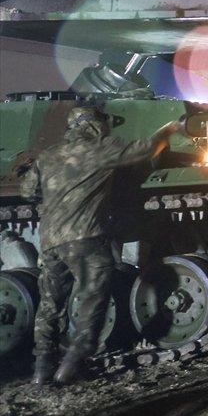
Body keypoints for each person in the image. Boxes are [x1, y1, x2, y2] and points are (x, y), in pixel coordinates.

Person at [19, 106, 182, 385]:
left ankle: (42, 368)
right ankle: (73, 362)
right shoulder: (101, 148)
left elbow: (27, 191)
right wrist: (169, 129)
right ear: (95, 125)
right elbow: (145, 149)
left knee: (51, 303)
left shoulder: (48, 155)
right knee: (94, 295)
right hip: (84, 237)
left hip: (50, 241)